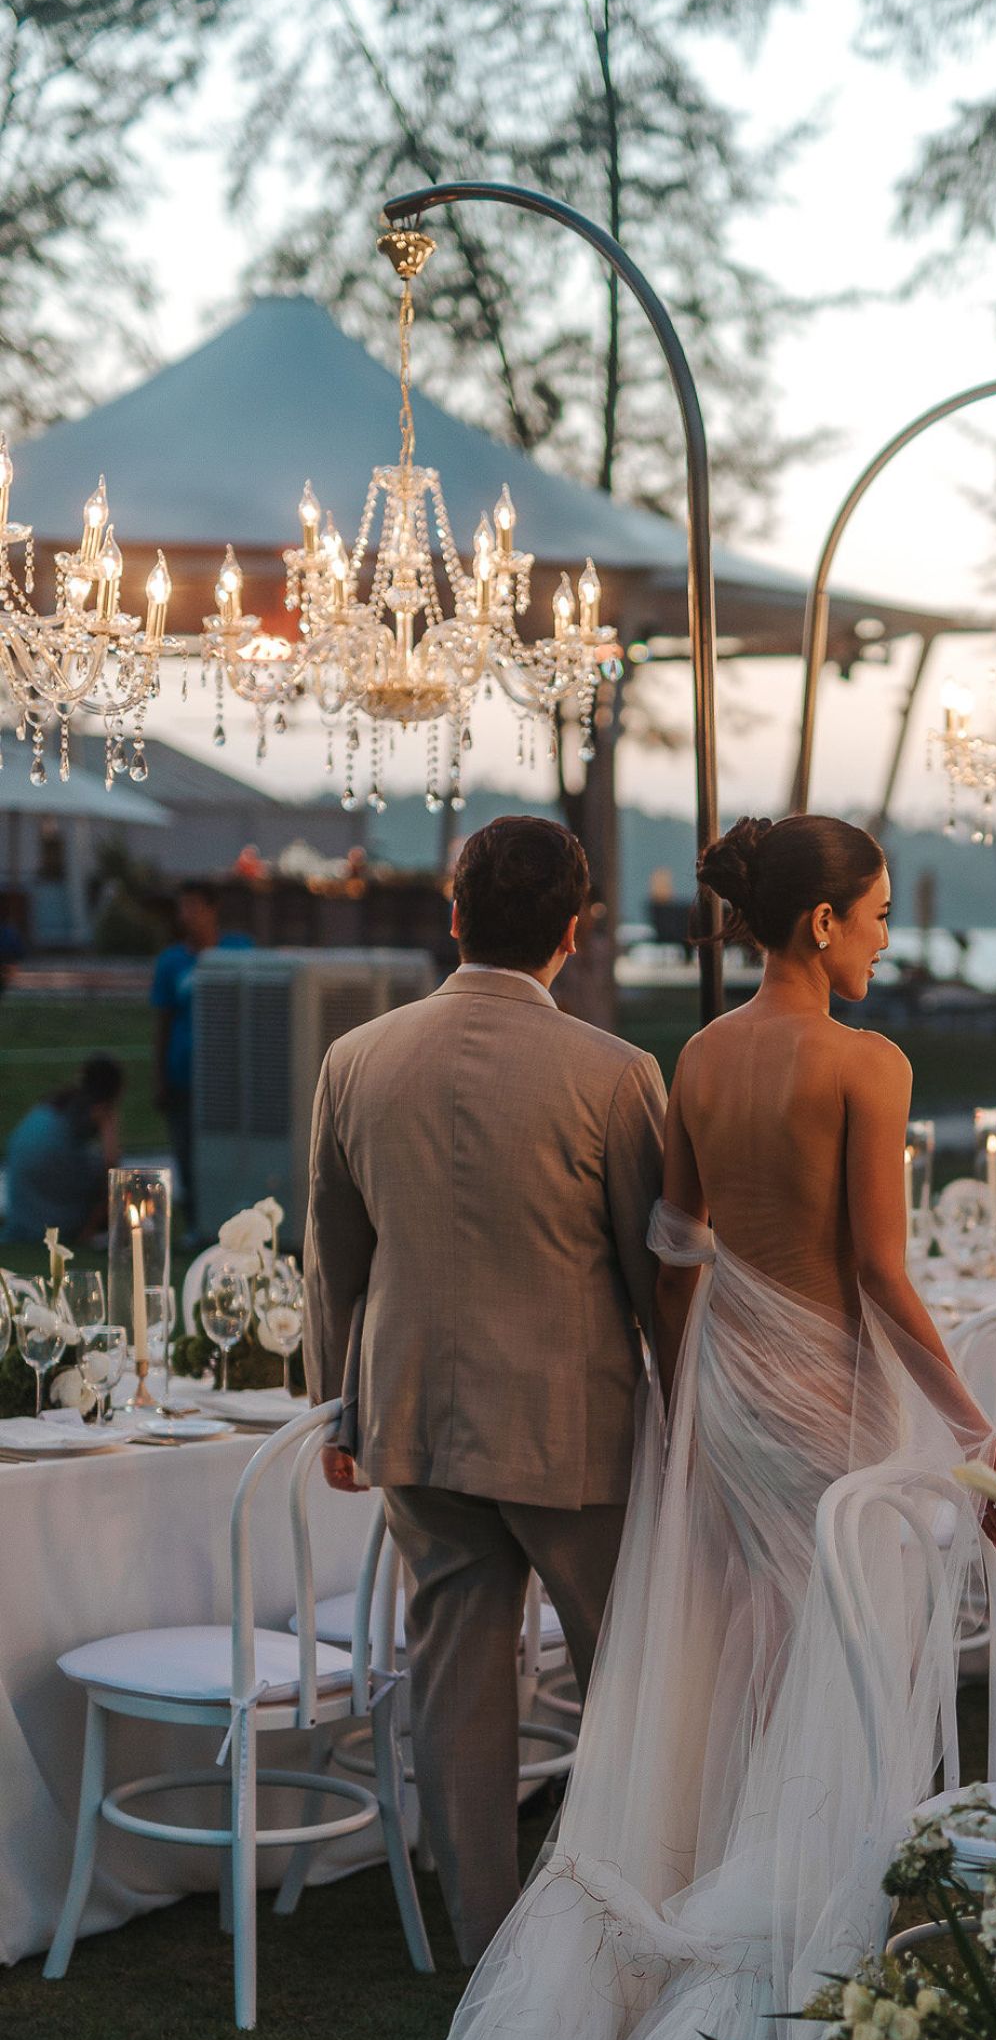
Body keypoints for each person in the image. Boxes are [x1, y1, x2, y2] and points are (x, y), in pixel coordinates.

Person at [257, 811, 996, 2040]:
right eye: (874, 912)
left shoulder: (567, 1059)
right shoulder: (719, 1069)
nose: (882, 932)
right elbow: (769, 1269)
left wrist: (361, 1395)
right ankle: (732, 1917)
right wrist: (939, 1430)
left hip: (516, 1407)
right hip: (682, 1410)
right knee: (715, 1678)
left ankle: (525, 1952)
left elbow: (618, 1256)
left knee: (506, 1678)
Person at [303, 816, 668, 1965]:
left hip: (411, 1421)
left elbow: (332, 1259)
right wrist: (696, 1412)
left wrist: (336, 1409)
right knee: (626, 1682)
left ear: (454, 913)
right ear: (575, 930)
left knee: (457, 1692)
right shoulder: (617, 1075)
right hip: (574, 1430)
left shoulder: (357, 1058)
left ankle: (486, 1952)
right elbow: (654, 1272)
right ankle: (622, 1921)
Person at [150, 883, 252, 1233]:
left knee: (231, 1152)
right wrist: (160, 1077)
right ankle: (197, 1224)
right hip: (185, 1075)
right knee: (188, 1153)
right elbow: (162, 1022)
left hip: (229, 1076)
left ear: (212, 909)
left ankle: (236, 1222)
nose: (186, 916)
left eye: (193, 907)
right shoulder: (171, 962)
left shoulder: (239, 951)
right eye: (182, 908)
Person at [2, 1053, 122, 1242]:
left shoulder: (62, 1100)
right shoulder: (98, 1108)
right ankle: (84, 1232)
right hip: (51, 1160)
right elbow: (111, 1161)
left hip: (23, 1158)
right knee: (112, 1182)